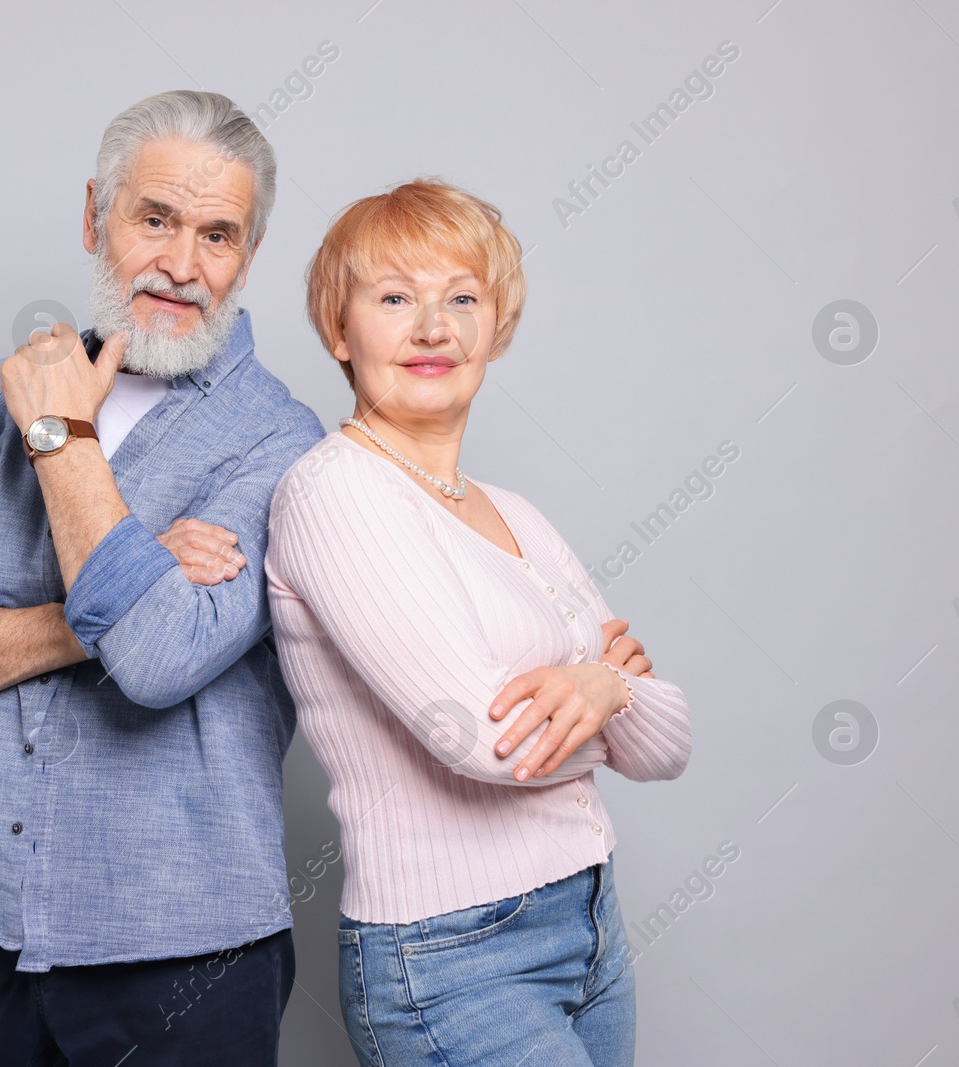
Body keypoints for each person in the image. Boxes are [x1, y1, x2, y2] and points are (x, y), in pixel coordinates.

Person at [0, 90, 324, 1066]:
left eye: (218, 235)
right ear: (92, 216)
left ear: (249, 253)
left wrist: (59, 439)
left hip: (184, 943)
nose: (183, 265)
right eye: (155, 219)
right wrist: (104, 603)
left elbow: (155, 658)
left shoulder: (283, 442)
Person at [265, 179, 692, 1067]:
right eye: (394, 299)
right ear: (340, 332)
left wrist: (600, 689)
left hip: (589, 920)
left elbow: (668, 745)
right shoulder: (333, 493)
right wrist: (609, 689)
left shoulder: (515, 513)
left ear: (494, 327)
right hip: (453, 956)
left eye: (463, 297)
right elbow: (483, 741)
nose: (434, 328)